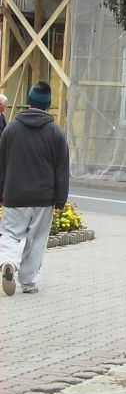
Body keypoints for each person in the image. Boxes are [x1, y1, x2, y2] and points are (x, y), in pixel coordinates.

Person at [0, 81, 70, 296]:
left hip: (14, 194)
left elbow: (1, 162)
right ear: (48, 105)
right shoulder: (55, 132)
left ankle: (8, 261)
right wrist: (60, 199)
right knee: (36, 239)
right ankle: (28, 282)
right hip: (43, 197)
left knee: (11, 233)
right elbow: (61, 168)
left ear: (28, 101)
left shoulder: (11, 128)